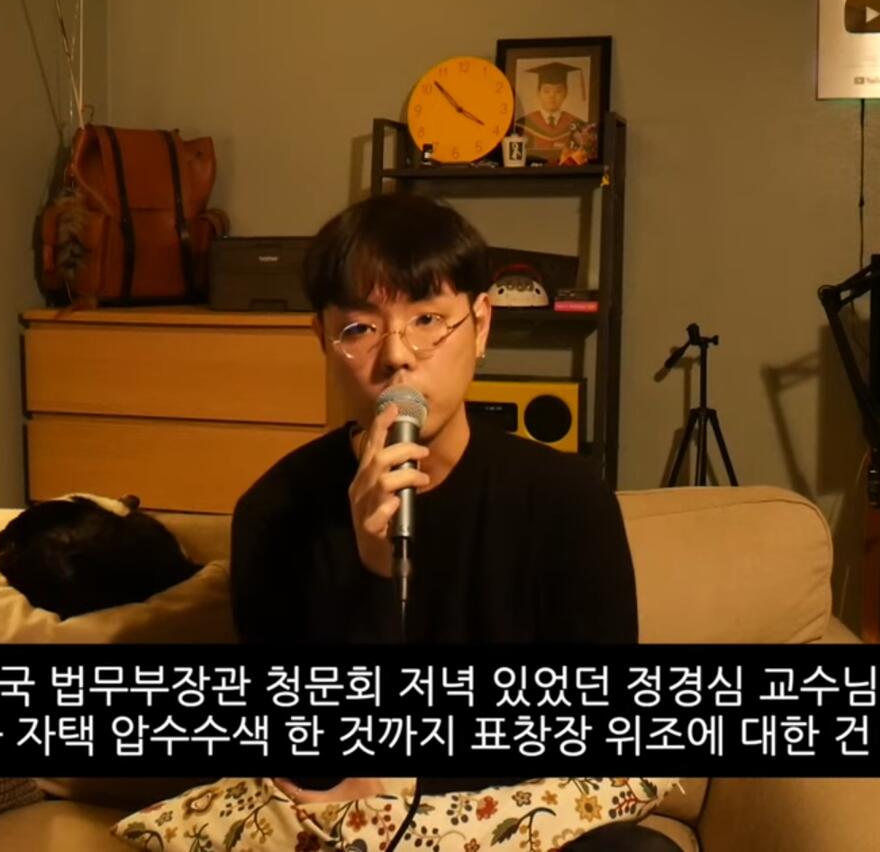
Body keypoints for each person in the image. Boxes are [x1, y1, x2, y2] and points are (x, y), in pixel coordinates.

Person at [229, 193, 671, 851]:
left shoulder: (567, 499)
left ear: (481, 325)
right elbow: (314, 769)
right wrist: (372, 576)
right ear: (322, 339)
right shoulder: (272, 513)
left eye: (428, 319)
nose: (397, 356)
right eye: (360, 328)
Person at [518, 61, 587, 162]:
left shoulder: (577, 125)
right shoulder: (523, 124)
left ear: (565, 94)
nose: (552, 96)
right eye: (546, 91)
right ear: (538, 93)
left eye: (558, 91)